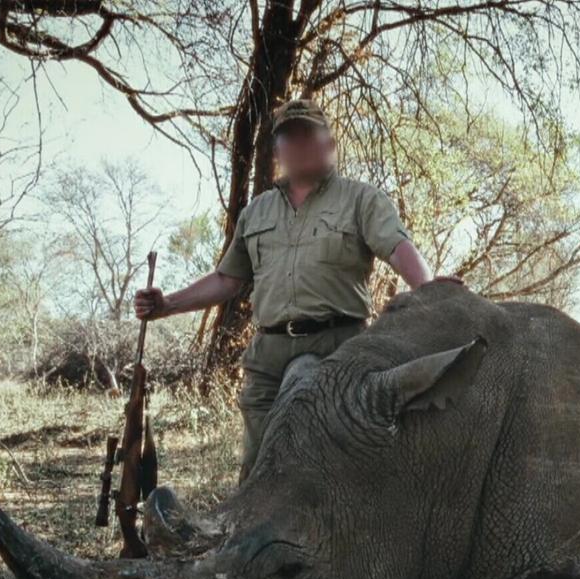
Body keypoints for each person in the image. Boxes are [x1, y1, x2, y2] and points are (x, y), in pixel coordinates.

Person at [135, 98, 432, 481]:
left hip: (337, 347)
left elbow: (397, 248)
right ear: (278, 150)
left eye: (308, 134)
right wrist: (167, 305)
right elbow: (228, 279)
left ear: (329, 144)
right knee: (259, 468)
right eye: (289, 137)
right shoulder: (256, 212)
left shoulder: (361, 199)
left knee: (330, 462)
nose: (299, 144)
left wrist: (433, 291)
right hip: (269, 354)